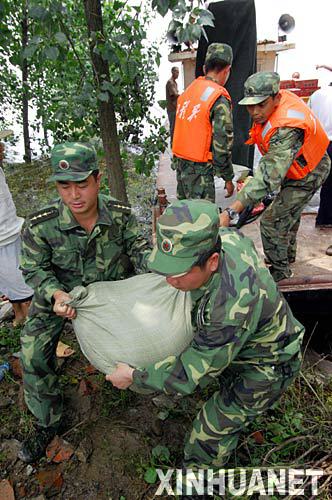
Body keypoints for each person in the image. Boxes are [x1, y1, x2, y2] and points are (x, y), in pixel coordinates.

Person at [107, 199, 304, 479]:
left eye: (179, 272)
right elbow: (221, 225)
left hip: (269, 365)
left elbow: (189, 374)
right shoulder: (221, 239)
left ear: (212, 262)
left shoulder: (228, 308)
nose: (169, 281)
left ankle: (199, 485)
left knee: (207, 433)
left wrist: (134, 376)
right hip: (243, 345)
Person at [18, 142, 151, 463]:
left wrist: (162, 278)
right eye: (65, 186)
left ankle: (141, 385)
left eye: (82, 184)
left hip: (112, 295)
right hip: (61, 297)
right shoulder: (41, 224)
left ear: (97, 179)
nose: (74, 195)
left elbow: (141, 253)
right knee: (33, 352)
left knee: (146, 336)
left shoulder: (120, 216)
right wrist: (55, 294)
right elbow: (33, 268)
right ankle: (46, 421)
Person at [219, 71, 331, 282]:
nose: (254, 112)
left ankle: (280, 272)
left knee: (271, 220)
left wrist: (231, 211)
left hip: (310, 172)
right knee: (289, 213)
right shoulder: (276, 107)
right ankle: (288, 256)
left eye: (261, 105)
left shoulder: (286, 128)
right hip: (297, 167)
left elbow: (268, 177)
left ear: (276, 98)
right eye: (250, 106)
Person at [172, 43, 235, 203]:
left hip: (181, 166)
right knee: (201, 221)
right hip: (200, 171)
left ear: (204, 68)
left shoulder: (189, 91)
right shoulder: (218, 98)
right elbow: (222, 143)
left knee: (185, 215)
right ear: (227, 70)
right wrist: (228, 177)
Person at [0, 131, 33, 325]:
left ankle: (22, 315)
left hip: (10, 230)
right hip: (3, 235)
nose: (3, 149)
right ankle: (26, 319)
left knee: (15, 277)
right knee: (18, 280)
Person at [309, 82, 332, 256]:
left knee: (324, 183)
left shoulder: (317, 94)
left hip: (320, 141)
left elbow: (309, 117)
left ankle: (323, 218)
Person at [166, 66, 180, 145]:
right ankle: (173, 144)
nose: (177, 74)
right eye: (176, 72)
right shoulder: (170, 82)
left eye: (178, 72)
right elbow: (174, 94)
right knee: (173, 128)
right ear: (172, 72)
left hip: (175, 108)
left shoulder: (175, 83)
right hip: (172, 109)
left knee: (176, 127)